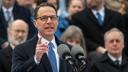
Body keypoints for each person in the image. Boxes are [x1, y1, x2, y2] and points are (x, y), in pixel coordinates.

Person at [11, 3, 73, 72]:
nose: (49, 21)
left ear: (57, 21)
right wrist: (35, 59)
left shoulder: (68, 50)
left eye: (52, 17)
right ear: (35, 23)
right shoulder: (21, 50)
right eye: (44, 18)